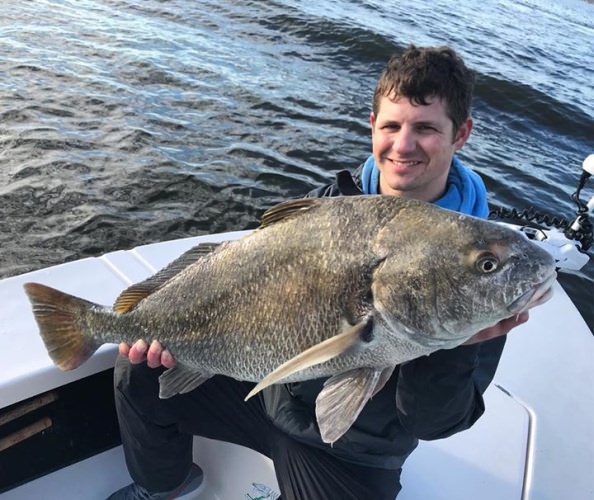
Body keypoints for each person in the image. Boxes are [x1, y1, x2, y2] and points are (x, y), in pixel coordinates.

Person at [107, 45, 529, 500]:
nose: (403, 145)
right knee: (135, 371)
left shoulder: (474, 265)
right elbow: (240, 275)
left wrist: (453, 350)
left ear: (460, 133)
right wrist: (179, 336)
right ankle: (163, 488)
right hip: (261, 392)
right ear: (372, 127)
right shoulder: (328, 206)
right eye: (391, 125)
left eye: (425, 128)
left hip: (351, 451)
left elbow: (432, 423)